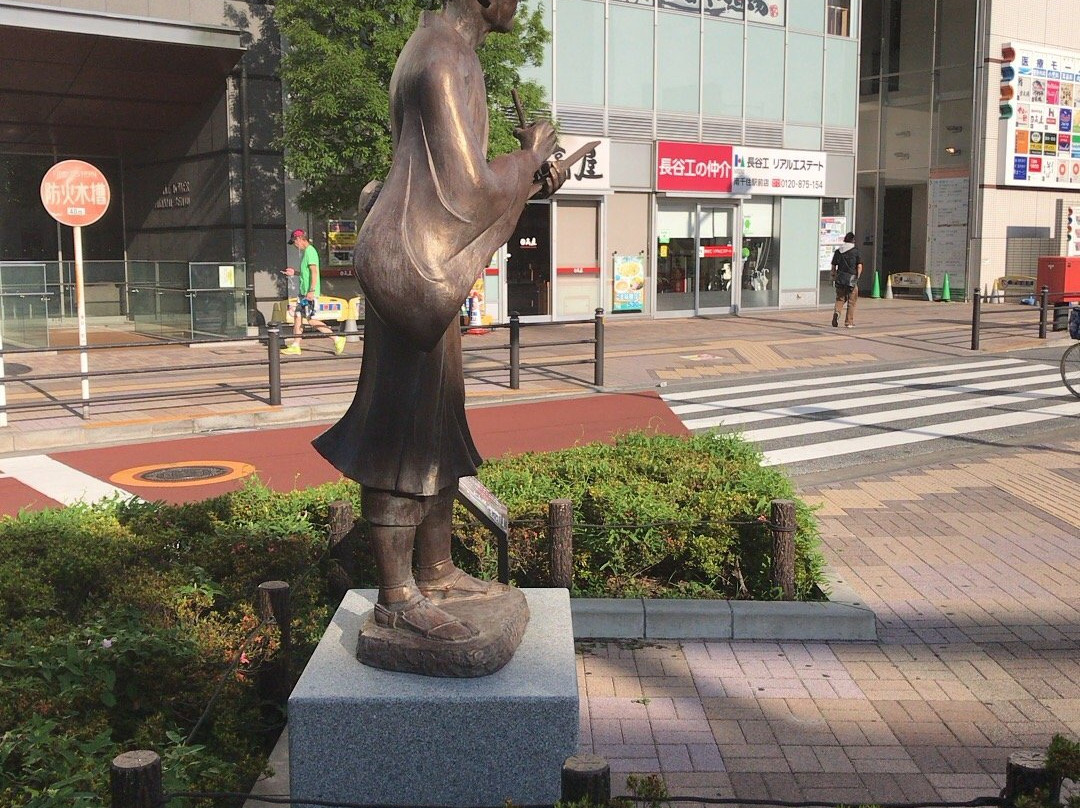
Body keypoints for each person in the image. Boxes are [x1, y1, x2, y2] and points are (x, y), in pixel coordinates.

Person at [312, 0, 568, 642]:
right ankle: (398, 595)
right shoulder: (445, 60)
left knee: (437, 427)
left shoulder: (438, 51)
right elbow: (470, 190)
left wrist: (535, 176)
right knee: (402, 431)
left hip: (424, 263)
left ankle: (437, 569)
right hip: (415, 268)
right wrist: (530, 157)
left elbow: (461, 183)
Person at [281, 228, 346, 356]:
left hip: (309, 293)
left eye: (294, 242)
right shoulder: (307, 252)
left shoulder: (310, 252)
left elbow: (314, 272)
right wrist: (295, 273)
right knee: (298, 317)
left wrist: (311, 291)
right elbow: (307, 274)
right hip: (304, 293)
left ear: (299, 239)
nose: (295, 245)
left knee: (311, 320)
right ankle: (296, 345)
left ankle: (337, 338)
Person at [831, 231, 863, 328]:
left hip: (840, 278)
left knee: (840, 298)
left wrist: (834, 275)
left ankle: (837, 312)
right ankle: (849, 322)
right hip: (851, 279)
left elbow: (833, 266)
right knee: (851, 301)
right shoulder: (856, 251)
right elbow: (859, 266)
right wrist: (857, 277)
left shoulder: (838, 251)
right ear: (853, 240)